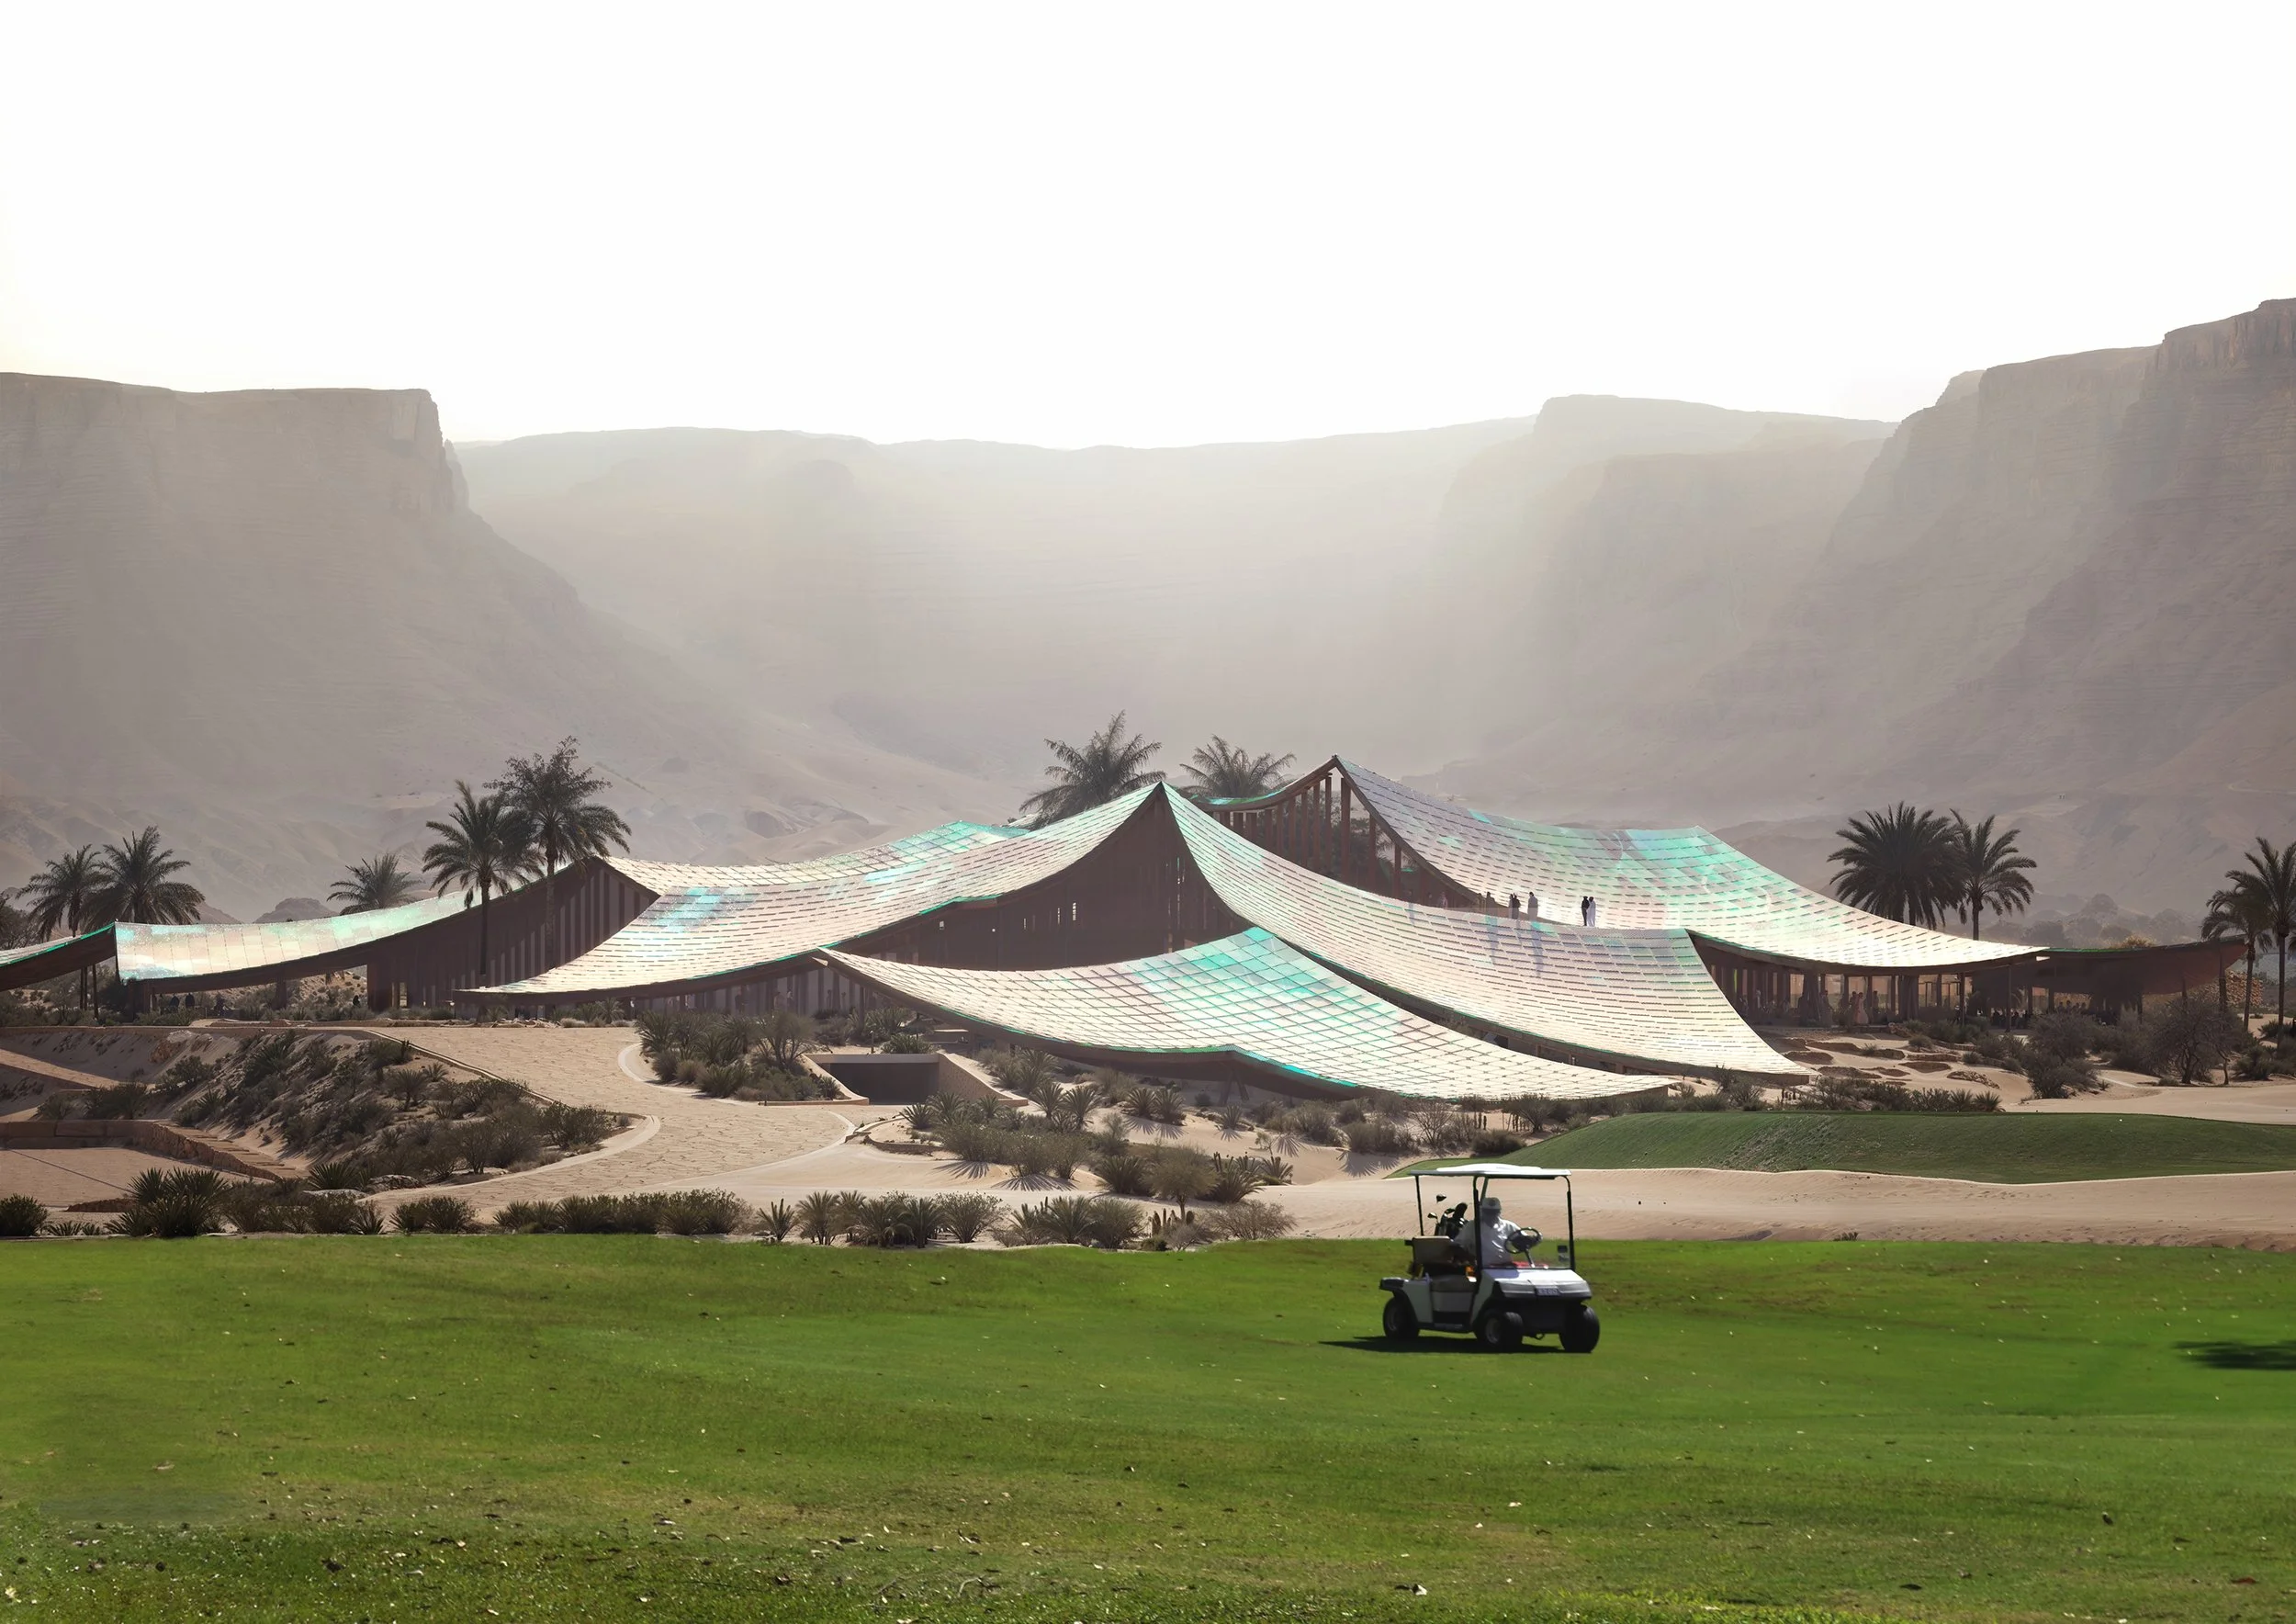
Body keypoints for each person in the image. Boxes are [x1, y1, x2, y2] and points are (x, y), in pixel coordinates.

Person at [1477, 1193, 1537, 1269]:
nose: (1491, 1216)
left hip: (1505, 1267)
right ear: (1482, 1211)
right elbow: (1460, 1244)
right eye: (1488, 1212)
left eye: (1494, 1213)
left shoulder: (1509, 1226)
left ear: (1499, 1212)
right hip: (1482, 1268)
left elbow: (1524, 1239)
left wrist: (1531, 1240)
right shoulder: (1473, 1227)